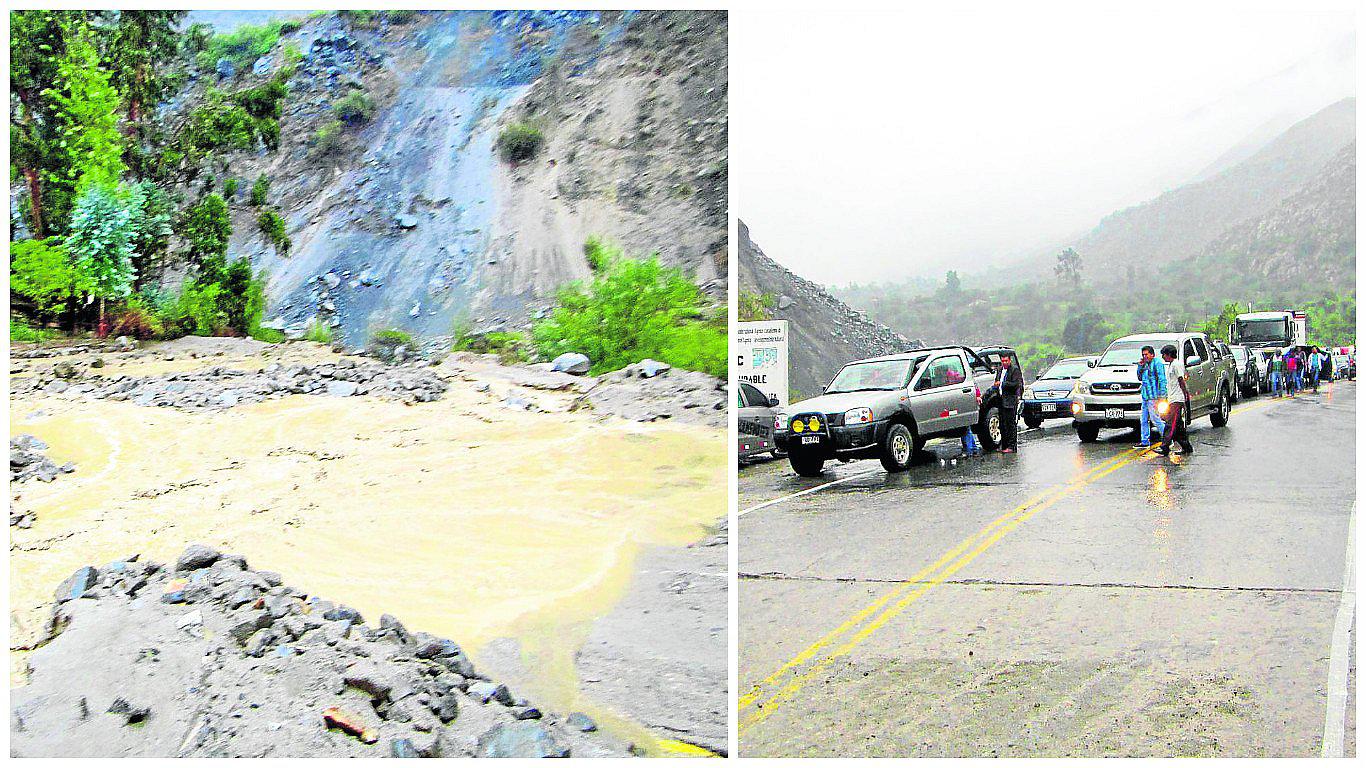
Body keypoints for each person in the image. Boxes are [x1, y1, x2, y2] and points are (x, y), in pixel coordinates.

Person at [1158, 344, 1193, 456]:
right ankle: (1186, 446)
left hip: (1177, 399)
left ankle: (1165, 446)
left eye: (1163, 354)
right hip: (1173, 398)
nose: (1163, 357)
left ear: (1168, 354)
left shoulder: (1176, 365)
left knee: (1170, 423)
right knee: (1178, 426)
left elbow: (1181, 380)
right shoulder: (1171, 365)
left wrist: (1184, 394)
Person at [1136, 345, 1167, 447]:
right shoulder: (1144, 364)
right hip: (1145, 396)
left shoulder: (1157, 363)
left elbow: (1162, 380)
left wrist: (1162, 396)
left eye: (1146, 354)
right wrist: (1140, 366)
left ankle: (1167, 438)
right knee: (1143, 419)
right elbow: (1140, 378)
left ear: (1152, 354)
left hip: (1154, 396)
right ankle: (1144, 440)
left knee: (1155, 418)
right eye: (1143, 355)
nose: (1145, 356)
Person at [994, 355, 1024, 453]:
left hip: (1010, 400)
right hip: (1001, 400)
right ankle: (1004, 445)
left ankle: (1012, 446)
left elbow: (1016, 384)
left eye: (1006, 361)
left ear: (1010, 361)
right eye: (1003, 361)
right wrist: (997, 385)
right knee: (1002, 424)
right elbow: (996, 381)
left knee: (1011, 424)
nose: (1004, 363)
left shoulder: (1014, 370)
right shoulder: (999, 370)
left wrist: (1003, 383)